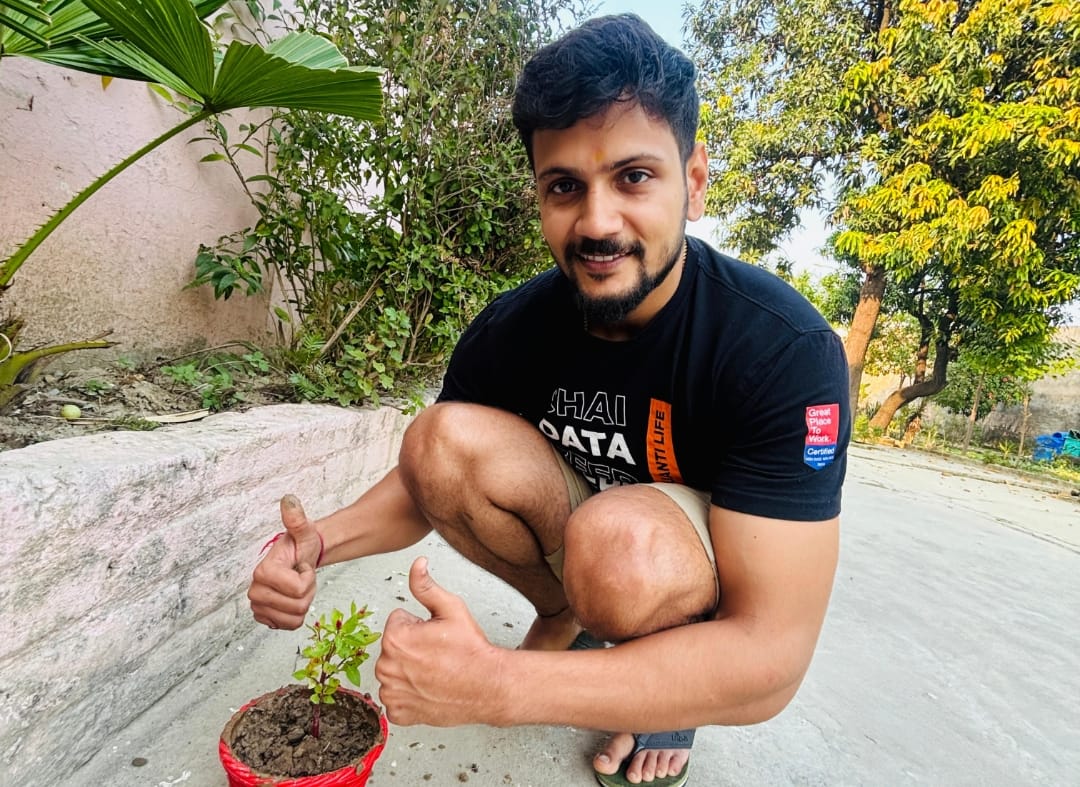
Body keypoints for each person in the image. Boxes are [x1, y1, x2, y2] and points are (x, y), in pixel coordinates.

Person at [249, 13, 850, 787]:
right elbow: (425, 482)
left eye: (634, 177)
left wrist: (497, 685)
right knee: (438, 438)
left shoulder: (781, 347)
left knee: (620, 547)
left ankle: (668, 685)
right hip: (586, 534)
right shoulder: (514, 327)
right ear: (538, 192)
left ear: (694, 180)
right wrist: (317, 545)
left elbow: (771, 658)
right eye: (565, 186)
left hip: (672, 554)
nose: (597, 223)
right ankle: (566, 615)